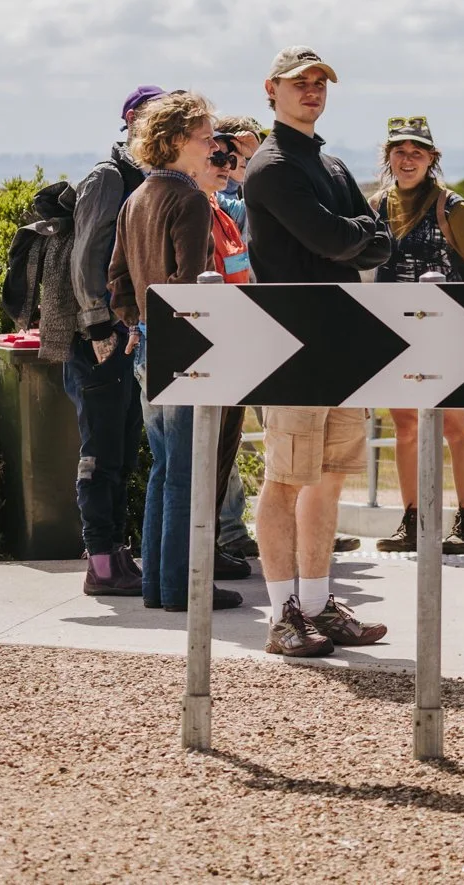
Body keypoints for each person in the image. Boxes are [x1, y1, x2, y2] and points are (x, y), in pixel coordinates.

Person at [243, 46, 393, 658]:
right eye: (299, 82)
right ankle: (281, 615)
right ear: (271, 89)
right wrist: (353, 239)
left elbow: (377, 241)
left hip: (339, 341)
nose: (312, 90)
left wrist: (352, 239)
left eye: (319, 82)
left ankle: (315, 604)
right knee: (285, 480)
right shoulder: (271, 165)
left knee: (329, 480)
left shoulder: (327, 163)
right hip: (290, 345)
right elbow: (339, 238)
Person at [105, 90, 243, 613]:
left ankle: (158, 586)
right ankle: (186, 587)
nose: (214, 147)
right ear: (176, 140)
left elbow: (116, 279)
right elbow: (194, 286)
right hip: (185, 352)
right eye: (206, 137)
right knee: (186, 472)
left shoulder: (136, 197)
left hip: (146, 346)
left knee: (165, 470)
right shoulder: (188, 200)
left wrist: (137, 324)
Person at [368, 116, 464, 558]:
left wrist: (461, 313)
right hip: (396, 336)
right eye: (400, 151)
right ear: (388, 157)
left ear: (432, 159)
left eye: (417, 152)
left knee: (453, 426)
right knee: (405, 425)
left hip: (446, 335)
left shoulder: (452, 208)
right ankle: (413, 519)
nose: (408, 159)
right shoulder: (375, 207)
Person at [65, 85, 160, 596]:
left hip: (129, 337)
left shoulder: (146, 179)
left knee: (122, 446)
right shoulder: (109, 177)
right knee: (100, 451)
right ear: (129, 121)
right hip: (99, 338)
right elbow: (88, 255)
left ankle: (113, 555)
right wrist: (98, 324)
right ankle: (100, 565)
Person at [196, 119, 258, 582]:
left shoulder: (219, 209)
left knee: (223, 452)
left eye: (231, 158)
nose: (228, 164)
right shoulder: (193, 209)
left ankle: (213, 545)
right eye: (217, 157)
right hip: (209, 353)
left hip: (235, 347)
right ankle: (195, 557)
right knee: (200, 458)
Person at [208, 116, 265, 563]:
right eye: (228, 152)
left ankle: (228, 531)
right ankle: (220, 535)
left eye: (244, 156)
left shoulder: (247, 199)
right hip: (222, 336)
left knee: (232, 438)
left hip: (249, 329)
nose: (235, 162)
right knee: (215, 441)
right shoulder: (216, 202)